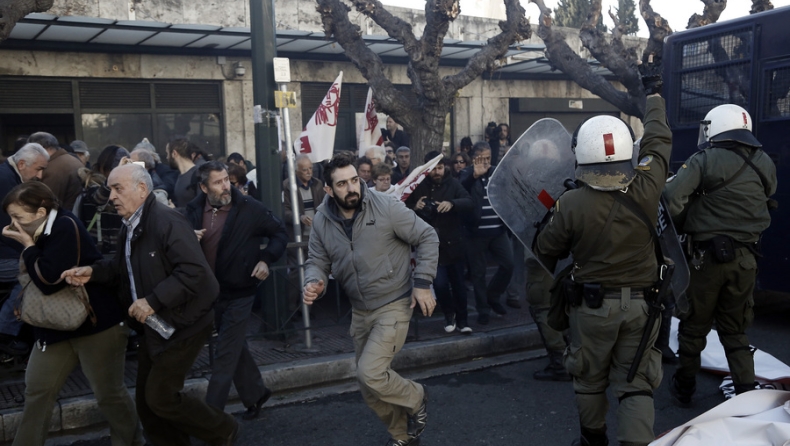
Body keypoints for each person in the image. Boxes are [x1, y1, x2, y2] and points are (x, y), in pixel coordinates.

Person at [62, 164, 239, 446]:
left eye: (118, 189)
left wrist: (152, 301)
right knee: (149, 404)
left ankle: (223, 429)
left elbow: (195, 272)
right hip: (154, 326)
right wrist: (93, 272)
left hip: (184, 323)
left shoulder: (167, 221)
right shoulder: (131, 225)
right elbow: (124, 269)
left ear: (142, 189)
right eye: (110, 189)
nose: (111, 197)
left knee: (160, 397)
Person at [534, 90, 670, 445]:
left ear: (582, 154)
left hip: (592, 309)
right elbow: (658, 141)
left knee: (590, 379)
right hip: (643, 305)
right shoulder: (649, 186)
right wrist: (653, 97)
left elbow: (545, 251)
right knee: (636, 383)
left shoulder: (571, 203)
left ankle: (593, 440)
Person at [302, 152, 438, 446]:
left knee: (371, 372)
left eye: (355, 180)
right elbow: (316, 260)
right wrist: (314, 281)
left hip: (394, 303)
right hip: (360, 311)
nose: (352, 188)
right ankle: (402, 436)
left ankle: (417, 395)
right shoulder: (322, 221)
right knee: (368, 388)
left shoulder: (386, 206)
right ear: (328, 189)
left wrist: (423, 283)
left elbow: (427, 236)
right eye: (342, 184)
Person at [3, 182, 143, 446]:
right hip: (53, 326)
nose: (13, 223)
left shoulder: (65, 226)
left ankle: (131, 441)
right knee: (37, 390)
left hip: (96, 323)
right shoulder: (39, 229)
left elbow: (48, 279)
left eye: (18, 217)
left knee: (108, 394)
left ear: (41, 212)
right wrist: (27, 239)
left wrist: (26, 244)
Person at [664, 103, 777, 406]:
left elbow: (672, 196)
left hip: (705, 261)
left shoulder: (705, 159)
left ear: (717, 127)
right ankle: (745, 393)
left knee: (694, 325)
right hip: (746, 259)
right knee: (735, 329)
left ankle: (685, 386)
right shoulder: (764, 161)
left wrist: (679, 223)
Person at [184, 161, 288, 418]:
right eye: (218, 182)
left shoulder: (248, 207)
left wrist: (266, 259)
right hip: (209, 293)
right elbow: (179, 242)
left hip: (241, 292)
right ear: (203, 187)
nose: (225, 186)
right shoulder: (193, 210)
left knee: (224, 354)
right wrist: (189, 236)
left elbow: (279, 233)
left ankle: (211, 419)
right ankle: (256, 393)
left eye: (226, 180)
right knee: (234, 348)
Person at [406, 156, 473, 334]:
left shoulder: (453, 184)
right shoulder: (419, 184)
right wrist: (415, 206)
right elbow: (402, 206)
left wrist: (452, 203)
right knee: (441, 284)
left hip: (454, 243)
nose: (437, 172)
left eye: (440, 168)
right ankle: (449, 314)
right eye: (434, 169)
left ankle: (463, 320)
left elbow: (469, 202)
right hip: (432, 249)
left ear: (445, 168)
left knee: (458, 285)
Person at [0, 143, 49, 356]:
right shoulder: (6, 182)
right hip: (4, 254)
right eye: (37, 169)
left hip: (5, 249)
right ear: (21, 164)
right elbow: (9, 227)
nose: (40, 175)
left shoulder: (8, 176)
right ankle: (5, 333)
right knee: (30, 275)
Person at [459, 142, 513, 325]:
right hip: (476, 233)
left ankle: (493, 295)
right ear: (475, 158)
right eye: (483, 158)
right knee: (478, 273)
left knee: (509, 263)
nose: (486, 162)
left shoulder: (497, 172)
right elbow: (461, 189)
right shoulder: (467, 173)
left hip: (498, 230)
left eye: (489, 158)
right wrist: (475, 175)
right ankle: (483, 309)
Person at [283, 155, 326, 313]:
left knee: (313, 270)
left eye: (310, 169)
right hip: (297, 235)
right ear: (296, 171)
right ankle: (291, 307)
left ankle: (308, 308)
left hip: (314, 235)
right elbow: (284, 210)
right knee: (296, 271)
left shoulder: (318, 184)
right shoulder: (288, 186)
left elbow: (323, 205)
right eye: (305, 170)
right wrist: (299, 217)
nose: (309, 172)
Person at [28, 132, 83, 211]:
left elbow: (47, 203)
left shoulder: (52, 169)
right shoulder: (71, 160)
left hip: (61, 216)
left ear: (41, 148)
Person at [166, 139, 200, 207]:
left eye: (167, 154)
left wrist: (175, 210)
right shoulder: (179, 175)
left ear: (174, 153)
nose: (167, 157)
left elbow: (200, 207)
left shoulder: (198, 175)